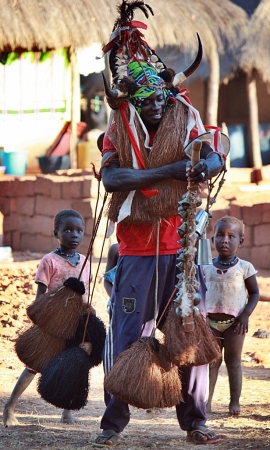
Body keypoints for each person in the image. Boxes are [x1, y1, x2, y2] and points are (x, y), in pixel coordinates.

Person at [95, 1, 228, 446]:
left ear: (168, 96)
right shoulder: (119, 129)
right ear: (130, 100)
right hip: (135, 252)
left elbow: (211, 155)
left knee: (188, 333)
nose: (151, 105)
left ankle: (196, 421)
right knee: (127, 332)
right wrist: (166, 173)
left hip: (181, 248)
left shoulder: (187, 122)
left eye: (158, 97)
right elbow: (113, 177)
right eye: (142, 98)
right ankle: (112, 424)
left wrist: (205, 163)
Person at [3, 209, 91, 427]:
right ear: (56, 233)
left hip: (74, 324)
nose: (74, 235)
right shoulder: (49, 261)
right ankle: (9, 408)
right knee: (34, 365)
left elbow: (85, 295)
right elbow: (40, 298)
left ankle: (67, 413)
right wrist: (43, 322)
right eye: (67, 230)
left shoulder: (85, 262)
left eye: (79, 230)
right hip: (51, 324)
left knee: (73, 365)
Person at [203, 216, 259, 416]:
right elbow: (199, 292)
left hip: (235, 324)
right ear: (212, 240)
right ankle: (206, 403)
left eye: (230, 236)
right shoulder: (206, 266)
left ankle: (234, 402)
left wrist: (245, 315)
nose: (224, 240)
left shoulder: (245, 268)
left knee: (233, 362)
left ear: (240, 241)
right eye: (219, 235)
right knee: (211, 362)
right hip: (210, 323)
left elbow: (254, 293)